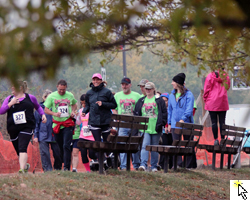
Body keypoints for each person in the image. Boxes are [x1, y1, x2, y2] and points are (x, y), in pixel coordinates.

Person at [0, 80, 47, 173]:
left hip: (27, 127)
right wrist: (11, 103)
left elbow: (38, 107)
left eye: (13, 87)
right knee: (19, 150)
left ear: (20, 88)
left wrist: (43, 115)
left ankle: (21, 170)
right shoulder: (9, 99)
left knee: (22, 147)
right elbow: (1, 111)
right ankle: (25, 166)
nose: (12, 89)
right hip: (13, 128)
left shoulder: (30, 98)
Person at [82, 73, 117, 161]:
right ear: (92, 81)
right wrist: (84, 111)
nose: (95, 81)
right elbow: (87, 106)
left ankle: (109, 158)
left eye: (97, 79)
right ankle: (102, 162)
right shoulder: (89, 93)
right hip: (94, 121)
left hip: (105, 121)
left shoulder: (107, 92)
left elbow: (114, 105)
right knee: (97, 143)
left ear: (101, 81)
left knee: (106, 143)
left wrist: (103, 104)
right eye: (94, 80)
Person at [44, 79, 77, 171]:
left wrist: (73, 111)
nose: (62, 91)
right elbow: (46, 109)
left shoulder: (70, 95)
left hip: (68, 123)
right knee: (59, 146)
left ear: (66, 88)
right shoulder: (52, 96)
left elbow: (75, 104)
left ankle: (66, 167)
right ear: (57, 87)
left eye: (64, 90)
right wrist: (54, 114)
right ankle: (63, 162)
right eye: (60, 90)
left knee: (66, 145)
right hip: (57, 125)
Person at [134, 82, 167, 172]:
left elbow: (164, 112)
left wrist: (162, 123)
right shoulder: (141, 100)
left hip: (156, 127)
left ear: (153, 89)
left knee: (154, 147)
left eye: (150, 89)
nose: (148, 90)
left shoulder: (159, 100)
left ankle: (153, 166)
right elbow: (136, 112)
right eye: (146, 89)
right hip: (144, 128)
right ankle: (143, 165)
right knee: (145, 145)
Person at [168, 73, 196, 169]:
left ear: (178, 83)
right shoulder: (171, 95)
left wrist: (182, 119)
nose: (172, 83)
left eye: (173, 82)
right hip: (174, 125)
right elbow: (170, 110)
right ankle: (178, 164)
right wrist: (169, 123)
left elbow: (189, 110)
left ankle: (187, 165)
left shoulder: (189, 95)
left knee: (188, 144)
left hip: (186, 124)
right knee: (176, 144)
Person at [113, 77, 141, 170]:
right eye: (123, 84)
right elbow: (114, 108)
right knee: (122, 144)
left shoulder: (137, 95)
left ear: (130, 85)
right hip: (122, 123)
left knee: (134, 144)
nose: (124, 86)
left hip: (134, 122)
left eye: (126, 84)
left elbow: (141, 107)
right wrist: (117, 118)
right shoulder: (117, 95)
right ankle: (124, 166)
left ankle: (136, 165)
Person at [34, 89, 61, 171]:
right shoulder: (39, 109)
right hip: (43, 134)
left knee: (58, 153)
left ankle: (57, 168)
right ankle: (47, 170)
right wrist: (36, 135)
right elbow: (36, 124)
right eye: (49, 98)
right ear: (44, 98)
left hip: (55, 133)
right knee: (44, 154)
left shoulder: (56, 108)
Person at [203, 68, 230, 145]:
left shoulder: (210, 76)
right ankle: (222, 139)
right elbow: (227, 87)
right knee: (222, 122)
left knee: (214, 122)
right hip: (223, 101)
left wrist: (206, 100)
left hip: (212, 101)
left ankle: (215, 140)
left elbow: (206, 89)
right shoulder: (226, 76)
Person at [77, 94, 97, 172]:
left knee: (91, 154)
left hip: (92, 135)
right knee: (83, 153)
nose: (84, 105)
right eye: (82, 103)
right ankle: (88, 170)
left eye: (85, 103)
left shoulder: (93, 110)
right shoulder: (80, 110)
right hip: (83, 135)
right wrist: (76, 116)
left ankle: (99, 161)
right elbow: (78, 123)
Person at [158, 92, 173, 170]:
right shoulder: (158, 110)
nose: (164, 102)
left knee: (171, 148)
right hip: (162, 132)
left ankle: (171, 165)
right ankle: (161, 165)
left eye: (166, 100)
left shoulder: (170, 109)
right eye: (162, 100)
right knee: (163, 148)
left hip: (170, 132)